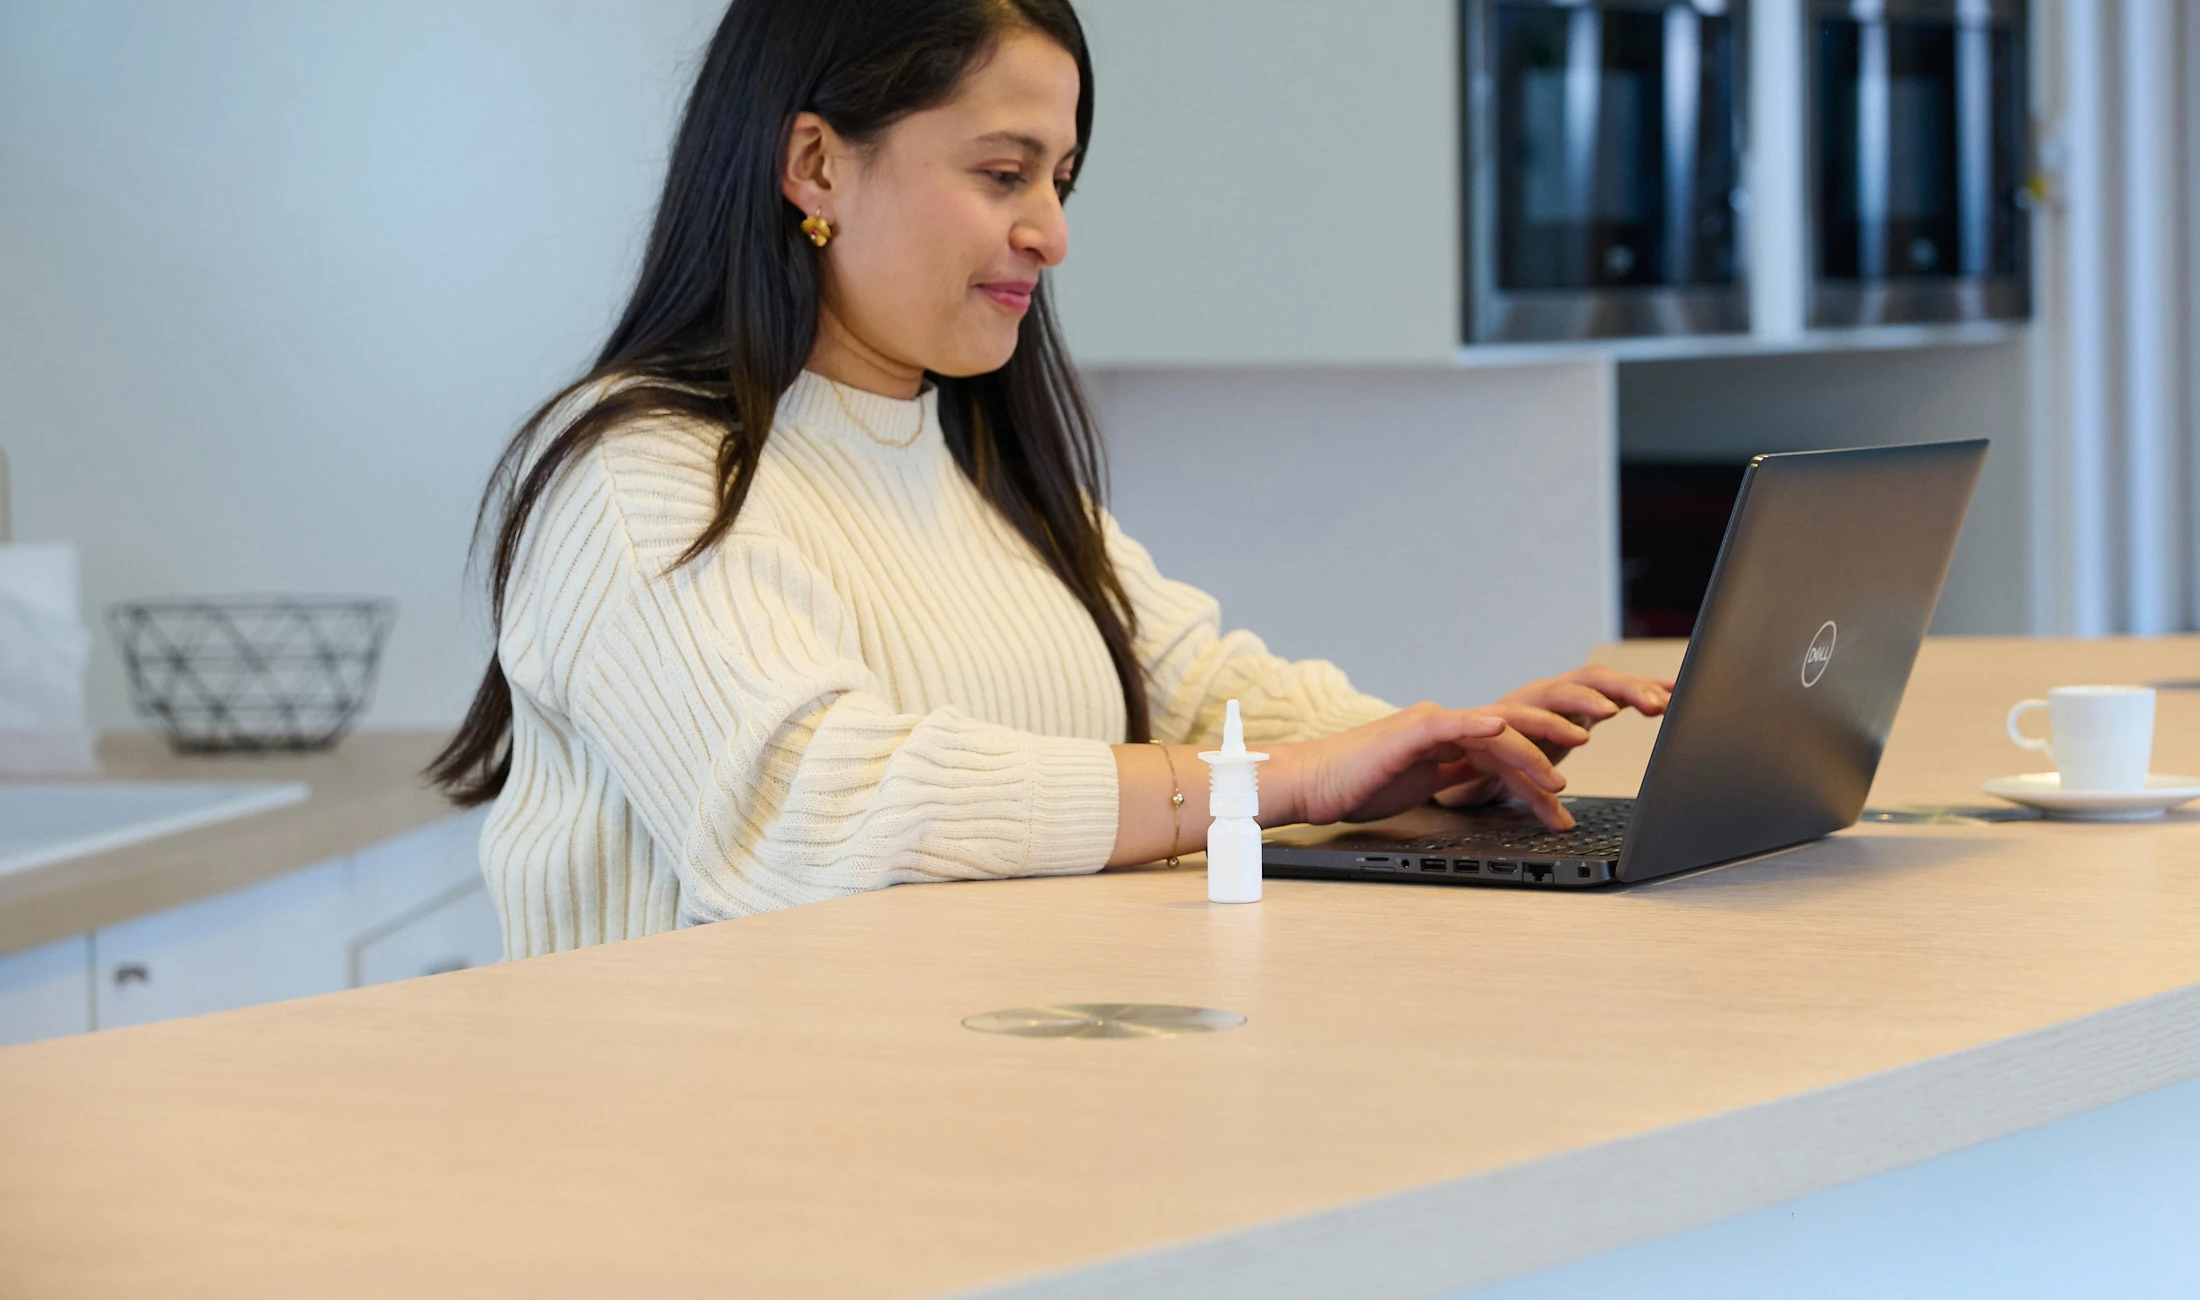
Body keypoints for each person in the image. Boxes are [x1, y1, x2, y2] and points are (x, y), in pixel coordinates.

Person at [429, 0, 1673, 960]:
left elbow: (1196, 689)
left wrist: (1435, 749)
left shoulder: (973, 457)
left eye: (1059, 179)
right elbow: (815, 813)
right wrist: (1269, 787)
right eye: (1002, 172)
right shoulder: (641, 476)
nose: (1052, 232)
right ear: (814, 164)